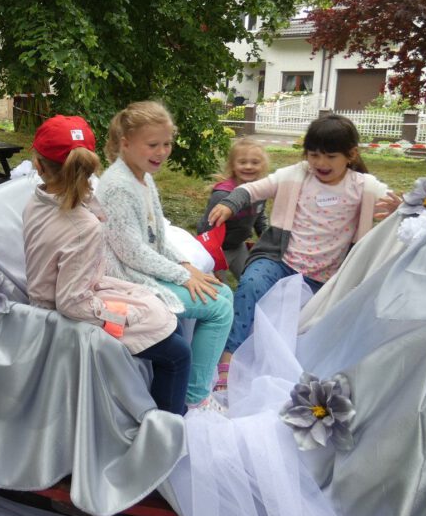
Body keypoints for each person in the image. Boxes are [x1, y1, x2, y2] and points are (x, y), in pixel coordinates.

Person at [206, 114, 401, 383]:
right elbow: (254, 189)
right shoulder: (296, 175)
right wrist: (231, 202)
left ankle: (303, 373)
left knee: (316, 326)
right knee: (249, 285)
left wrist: (399, 209)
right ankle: (228, 358)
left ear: (351, 155)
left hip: (328, 276)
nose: (320, 163)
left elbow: (401, 208)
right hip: (280, 260)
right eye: (313, 155)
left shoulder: (364, 186)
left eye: (330, 156)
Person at [22, 116, 190, 414]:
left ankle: (154, 404)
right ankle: (163, 432)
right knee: (178, 353)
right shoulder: (82, 224)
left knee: (167, 319)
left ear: (38, 165)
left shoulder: (38, 200)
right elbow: (71, 303)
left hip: (66, 298)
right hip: (65, 323)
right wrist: (126, 316)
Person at [96, 101, 232, 412]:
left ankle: (198, 384)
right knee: (219, 310)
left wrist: (186, 264)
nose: (162, 151)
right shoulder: (119, 187)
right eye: (153, 144)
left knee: (223, 291)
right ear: (125, 143)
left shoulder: (142, 177)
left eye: (167, 143)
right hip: (126, 281)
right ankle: (195, 398)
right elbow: (131, 252)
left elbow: (157, 236)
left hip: (142, 269)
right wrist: (183, 275)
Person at [195, 137, 269, 282]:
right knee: (220, 289)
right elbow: (206, 228)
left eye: (255, 162)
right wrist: (211, 260)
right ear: (233, 165)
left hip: (238, 246)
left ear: (263, 165)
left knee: (250, 281)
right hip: (217, 250)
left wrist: (265, 237)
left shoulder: (261, 191)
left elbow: (259, 217)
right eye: (242, 162)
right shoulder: (222, 195)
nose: (248, 166)